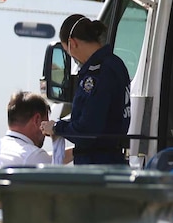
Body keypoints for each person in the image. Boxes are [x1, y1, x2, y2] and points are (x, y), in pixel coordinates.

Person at [40, 14, 131, 165]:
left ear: (72, 43)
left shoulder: (97, 73)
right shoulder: (116, 63)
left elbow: (87, 130)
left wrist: (56, 127)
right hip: (112, 158)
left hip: (98, 165)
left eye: (67, 51)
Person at [0, 91, 70, 168]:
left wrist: (78, 150)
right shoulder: (33, 155)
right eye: (46, 122)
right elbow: (56, 179)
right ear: (37, 120)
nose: (46, 132)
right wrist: (57, 136)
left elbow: (44, 159)